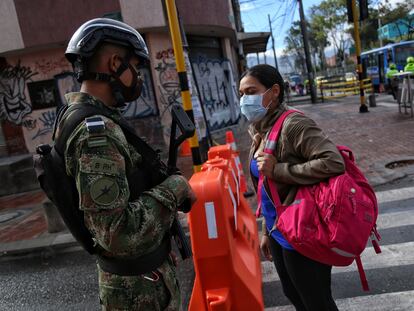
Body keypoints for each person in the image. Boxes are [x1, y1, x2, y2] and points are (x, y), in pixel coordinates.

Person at [61, 18, 195, 310]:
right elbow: (117, 233)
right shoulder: (95, 133)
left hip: (143, 279)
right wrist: (176, 187)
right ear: (115, 63)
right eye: (135, 67)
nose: (138, 77)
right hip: (138, 293)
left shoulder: (89, 119)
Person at [239, 64, 345, 311]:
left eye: (251, 91)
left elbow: (333, 162)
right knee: (294, 295)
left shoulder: (294, 124)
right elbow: (266, 186)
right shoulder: (259, 129)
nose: (245, 100)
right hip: (279, 229)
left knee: (317, 302)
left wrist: (279, 170)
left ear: (274, 91)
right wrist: (266, 230)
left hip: (303, 228)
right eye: (241, 94)